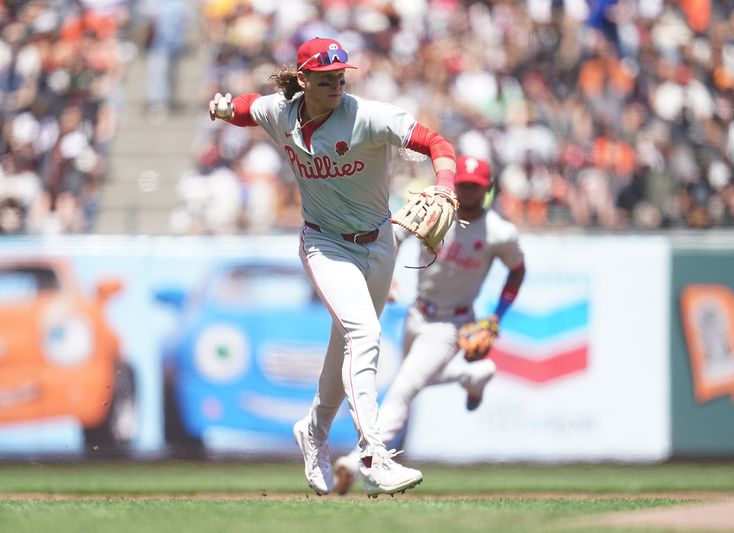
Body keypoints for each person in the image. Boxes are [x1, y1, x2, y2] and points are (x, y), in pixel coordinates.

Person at [208, 37, 458, 497]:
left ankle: (314, 431)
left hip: (379, 243)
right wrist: (225, 109)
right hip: (324, 243)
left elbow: (436, 142)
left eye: (340, 77)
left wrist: (444, 185)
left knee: (341, 350)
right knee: (364, 335)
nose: (336, 86)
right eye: (325, 80)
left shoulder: (367, 116)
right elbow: (250, 108)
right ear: (303, 80)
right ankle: (372, 454)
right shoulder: (283, 112)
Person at [332, 155, 526, 495]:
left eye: (474, 187)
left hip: (451, 323)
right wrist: (385, 275)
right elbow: (393, 235)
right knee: (412, 384)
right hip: (417, 313)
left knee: (403, 390)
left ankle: (357, 461)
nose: (466, 192)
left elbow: (517, 270)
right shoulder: (436, 210)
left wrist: (497, 315)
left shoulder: (499, 232)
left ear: (486, 189)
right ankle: (473, 375)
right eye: (462, 184)